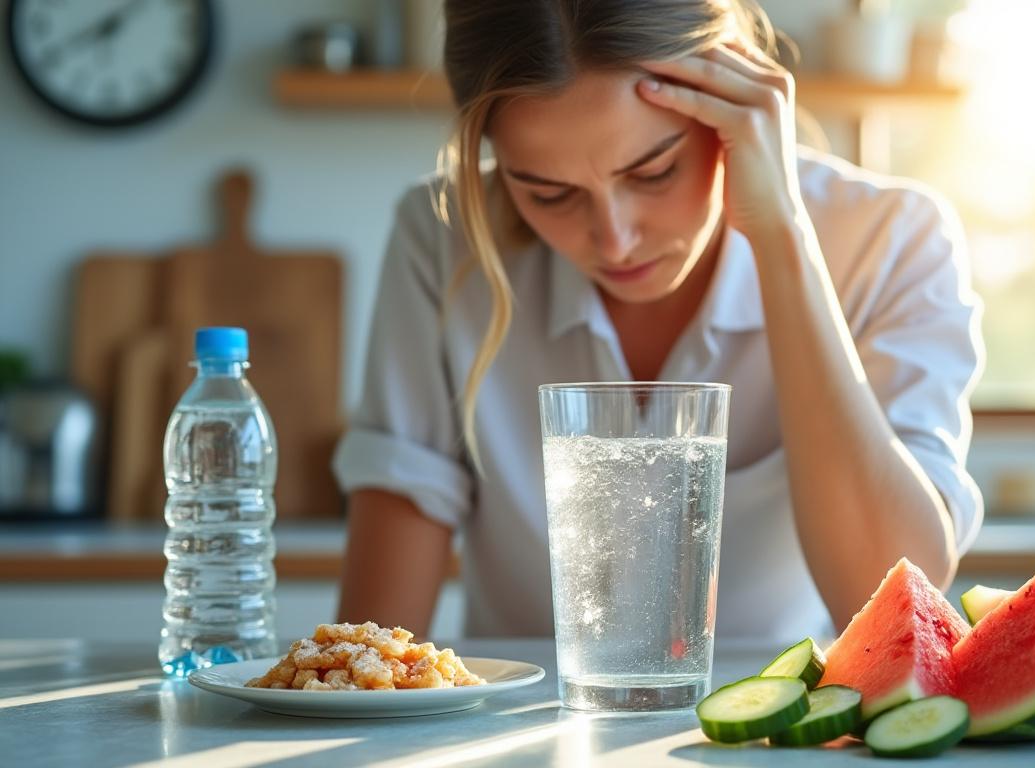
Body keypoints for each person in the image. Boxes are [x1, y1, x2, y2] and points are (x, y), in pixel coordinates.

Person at [334, 0, 984, 643]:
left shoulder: (891, 239)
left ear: (733, 97)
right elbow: (369, 651)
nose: (613, 241)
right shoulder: (440, 239)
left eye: (654, 171)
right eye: (548, 193)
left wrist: (781, 238)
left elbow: (901, 604)